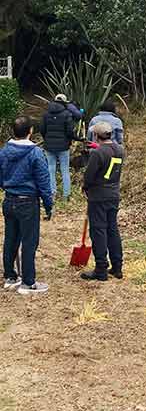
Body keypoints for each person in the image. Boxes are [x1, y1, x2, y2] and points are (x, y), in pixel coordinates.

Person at [0, 115, 53, 295]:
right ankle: (28, 283)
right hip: (28, 202)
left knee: (10, 239)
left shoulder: (4, 151)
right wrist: (48, 204)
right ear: (31, 131)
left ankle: (10, 277)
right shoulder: (35, 153)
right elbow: (44, 182)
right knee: (29, 242)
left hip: (9, 200)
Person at [81, 121, 125, 282]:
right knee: (112, 229)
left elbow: (89, 176)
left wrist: (85, 187)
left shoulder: (97, 154)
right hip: (113, 194)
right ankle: (117, 266)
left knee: (98, 230)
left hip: (98, 196)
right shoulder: (120, 150)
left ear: (96, 135)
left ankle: (101, 268)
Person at [39, 94, 75, 200]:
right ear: (64, 102)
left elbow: (42, 129)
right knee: (65, 170)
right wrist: (68, 141)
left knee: (51, 169)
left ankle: (52, 193)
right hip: (63, 147)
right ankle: (66, 194)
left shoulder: (46, 114)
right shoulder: (67, 114)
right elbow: (69, 132)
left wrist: (47, 139)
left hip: (49, 146)